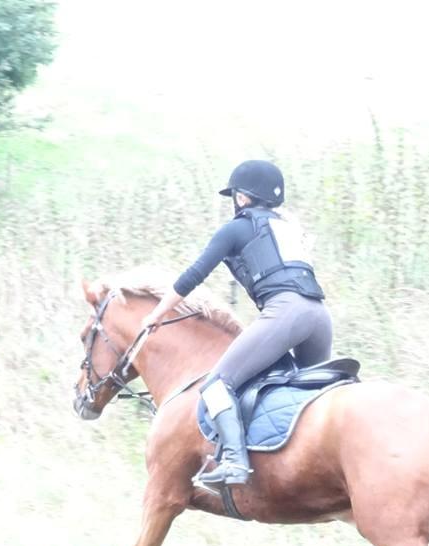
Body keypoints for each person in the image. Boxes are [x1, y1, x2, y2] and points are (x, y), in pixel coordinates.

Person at [141, 160, 332, 487]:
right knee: (315, 396)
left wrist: (157, 314)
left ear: (242, 197)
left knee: (216, 385)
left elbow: (194, 275)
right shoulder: (289, 229)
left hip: (286, 312)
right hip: (319, 315)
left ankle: (234, 463)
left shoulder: (238, 227)